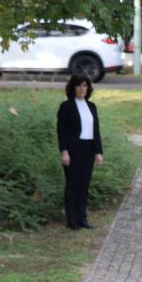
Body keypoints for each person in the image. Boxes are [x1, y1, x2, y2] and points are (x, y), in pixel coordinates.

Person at [57, 74, 104, 230]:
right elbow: (61, 131)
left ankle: (82, 218)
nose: (82, 89)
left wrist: (99, 151)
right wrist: (64, 151)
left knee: (84, 185)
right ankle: (72, 221)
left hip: (88, 149)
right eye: (79, 85)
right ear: (73, 88)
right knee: (72, 185)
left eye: (85, 85)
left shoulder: (91, 106)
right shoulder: (66, 106)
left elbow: (95, 130)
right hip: (73, 150)